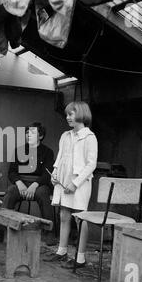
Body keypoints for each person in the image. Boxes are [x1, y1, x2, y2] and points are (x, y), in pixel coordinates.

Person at [44, 101, 98, 269]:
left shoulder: (90, 137)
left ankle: (80, 258)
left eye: (71, 114)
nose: (67, 117)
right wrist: (54, 173)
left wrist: (75, 183)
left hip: (79, 183)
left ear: (81, 114)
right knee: (64, 215)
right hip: (64, 180)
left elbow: (91, 164)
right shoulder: (65, 136)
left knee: (81, 218)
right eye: (67, 114)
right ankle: (61, 251)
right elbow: (60, 158)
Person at [0, 122, 55, 245]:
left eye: (33, 133)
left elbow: (47, 174)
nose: (29, 135)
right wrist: (19, 183)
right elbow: (12, 172)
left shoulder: (48, 152)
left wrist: (34, 185)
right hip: (21, 183)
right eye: (27, 133)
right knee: (10, 192)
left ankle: (49, 233)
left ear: (41, 136)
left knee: (44, 194)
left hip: (39, 184)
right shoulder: (19, 150)